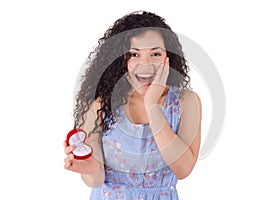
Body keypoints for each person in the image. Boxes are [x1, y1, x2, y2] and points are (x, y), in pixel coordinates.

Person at [64, 11, 202, 200]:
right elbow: (95, 179)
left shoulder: (186, 102)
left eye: (155, 53)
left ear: (166, 58)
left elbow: (183, 169)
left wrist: (152, 106)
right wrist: (88, 168)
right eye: (134, 54)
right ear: (122, 60)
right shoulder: (100, 106)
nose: (145, 64)